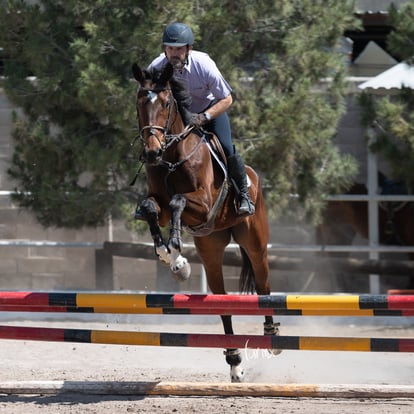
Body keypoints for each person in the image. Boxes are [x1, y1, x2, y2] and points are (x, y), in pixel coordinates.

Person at [147, 22, 255, 216]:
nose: (174, 53)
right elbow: (148, 98)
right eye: (170, 48)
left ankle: (243, 195)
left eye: (179, 49)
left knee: (226, 145)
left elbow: (227, 98)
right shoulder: (156, 67)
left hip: (209, 111)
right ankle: (152, 198)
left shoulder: (204, 65)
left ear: (189, 48)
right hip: (177, 117)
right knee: (155, 148)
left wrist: (205, 116)